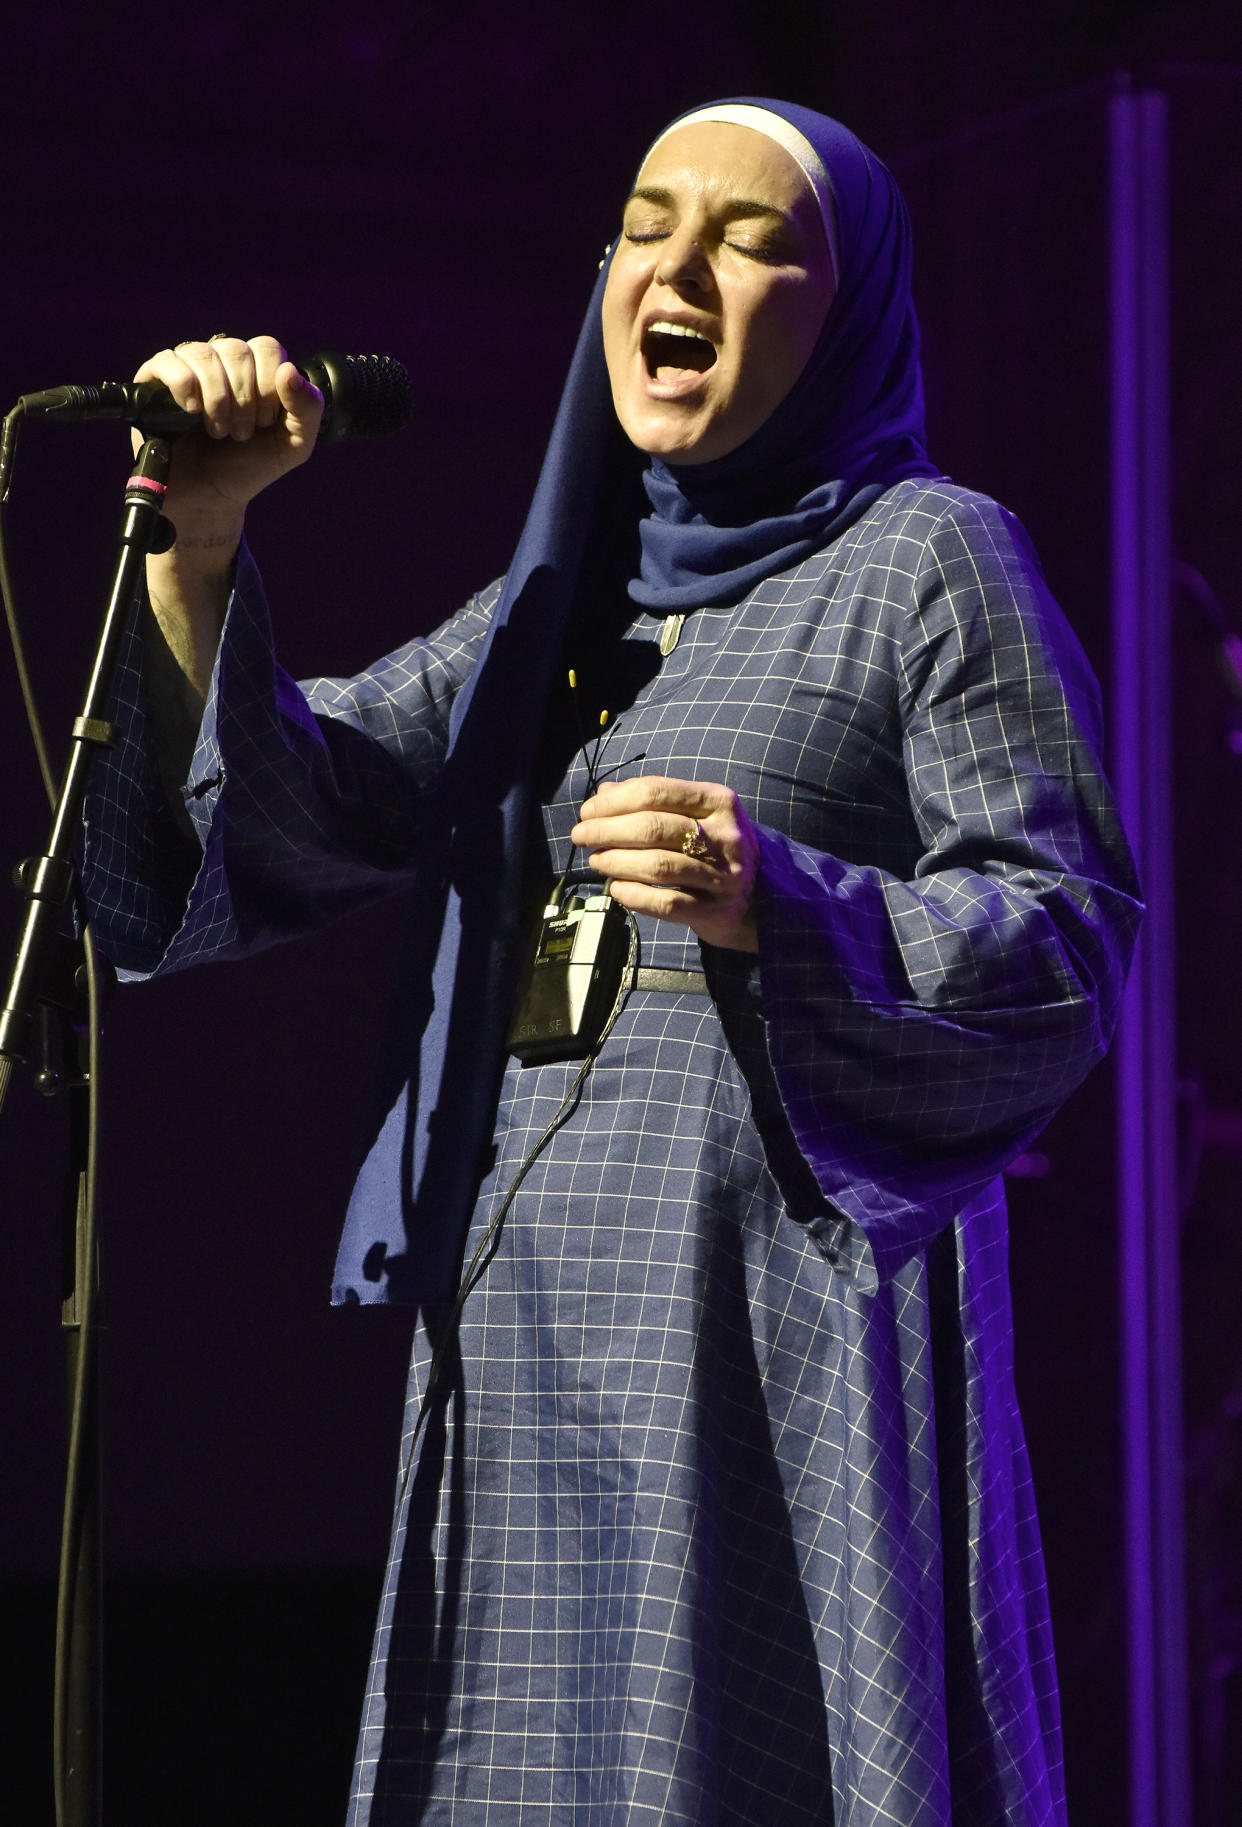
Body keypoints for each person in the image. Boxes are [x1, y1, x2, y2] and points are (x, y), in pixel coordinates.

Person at [83, 99, 1141, 1826]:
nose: (677, 264)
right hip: (532, 1328)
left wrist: (780, 896)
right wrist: (200, 547)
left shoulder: (927, 557)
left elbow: (1063, 939)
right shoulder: (563, 608)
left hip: (766, 1331)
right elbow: (303, 800)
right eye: (648, 225)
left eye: (747, 235)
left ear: (846, 300)